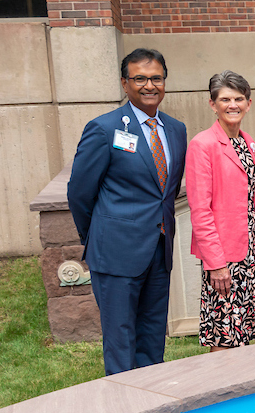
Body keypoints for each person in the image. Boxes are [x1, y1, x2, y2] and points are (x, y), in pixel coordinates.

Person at [67, 48, 187, 375]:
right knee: (120, 341)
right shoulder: (104, 129)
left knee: (152, 338)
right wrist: (95, 238)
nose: (149, 85)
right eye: (140, 78)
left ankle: (153, 405)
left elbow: (167, 191)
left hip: (158, 251)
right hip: (115, 251)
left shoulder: (176, 130)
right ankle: (124, 412)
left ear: (165, 82)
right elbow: (79, 192)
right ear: (125, 83)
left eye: (156, 78)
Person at [185, 71, 255, 351]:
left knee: (247, 329)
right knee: (224, 333)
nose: (232, 104)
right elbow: (200, 209)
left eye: (239, 98)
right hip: (224, 257)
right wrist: (216, 263)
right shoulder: (202, 145)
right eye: (225, 99)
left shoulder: (246, 141)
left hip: (249, 251)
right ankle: (223, 392)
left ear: (248, 103)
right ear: (212, 104)